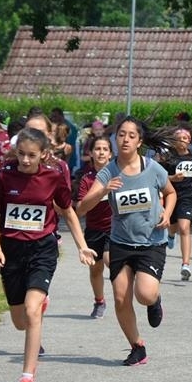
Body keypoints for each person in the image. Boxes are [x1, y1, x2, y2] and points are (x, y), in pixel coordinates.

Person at [0, 128, 96, 382]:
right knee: (20, 321)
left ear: (43, 155)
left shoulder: (53, 177)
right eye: (20, 154)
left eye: (31, 155)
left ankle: (27, 379)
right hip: (11, 250)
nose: (24, 160)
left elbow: (68, 211)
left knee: (32, 312)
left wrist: (82, 246)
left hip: (42, 249)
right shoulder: (2, 176)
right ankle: (36, 305)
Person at [78, 116, 175, 367]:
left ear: (139, 141)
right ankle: (137, 347)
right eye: (121, 134)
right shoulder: (107, 171)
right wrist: (103, 190)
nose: (126, 139)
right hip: (120, 242)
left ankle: (155, 300)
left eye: (132, 135)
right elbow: (81, 208)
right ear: (115, 138)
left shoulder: (152, 167)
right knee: (121, 298)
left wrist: (167, 212)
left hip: (151, 242)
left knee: (143, 294)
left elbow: (170, 192)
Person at [75, 135, 114, 319]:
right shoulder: (87, 179)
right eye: (97, 149)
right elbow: (80, 210)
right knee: (96, 269)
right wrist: (101, 192)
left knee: (110, 260)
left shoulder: (118, 175)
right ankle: (99, 301)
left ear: (110, 154)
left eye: (105, 149)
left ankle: (123, 296)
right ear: (91, 153)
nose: (101, 152)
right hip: (94, 229)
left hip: (115, 228)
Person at [162, 125, 192, 281]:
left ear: (189, 141)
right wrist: (173, 178)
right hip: (171, 195)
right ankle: (171, 235)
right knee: (172, 226)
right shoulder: (168, 158)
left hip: (187, 195)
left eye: (184, 139)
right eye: (178, 139)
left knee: (184, 227)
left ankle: (185, 264)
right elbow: (161, 177)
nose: (181, 142)